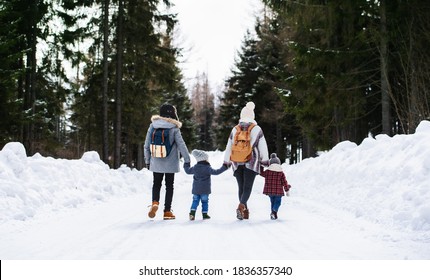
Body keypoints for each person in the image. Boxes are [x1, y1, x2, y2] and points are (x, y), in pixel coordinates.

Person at [223, 101, 269, 220]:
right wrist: (265, 161)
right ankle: (241, 206)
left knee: (241, 187)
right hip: (251, 162)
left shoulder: (235, 129)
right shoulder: (257, 129)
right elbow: (263, 146)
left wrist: (226, 161)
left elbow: (229, 145)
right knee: (248, 187)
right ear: (252, 116)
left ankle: (245, 211)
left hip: (237, 162)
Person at [144, 103, 190, 220]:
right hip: (170, 163)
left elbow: (146, 145)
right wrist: (187, 159)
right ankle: (167, 211)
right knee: (169, 186)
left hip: (156, 161)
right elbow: (181, 145)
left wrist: (148, 161)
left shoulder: (153, 126)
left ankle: (155, 203)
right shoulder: (174, 128)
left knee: (156, 183)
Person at [183, 150, 229, 220]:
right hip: (205, 190)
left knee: (195, 201)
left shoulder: (195, 168)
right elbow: (216, 172)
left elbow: (187, 171)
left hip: (196, 189)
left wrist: (186, 164)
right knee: (205, 201)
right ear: (205, 159)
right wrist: (224, 167)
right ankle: (205, 214)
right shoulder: (207, 168)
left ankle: (192, 213)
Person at [260, 153, 291, 220]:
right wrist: (287, 189)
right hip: (278, 192)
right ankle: (274, 211)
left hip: (270, 191)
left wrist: (261, 165)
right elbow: (284, 182)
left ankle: (274, 214)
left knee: (272, 202)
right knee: (278, 202)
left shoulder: (268, 171)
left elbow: (261, 173)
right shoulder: (281, 173)